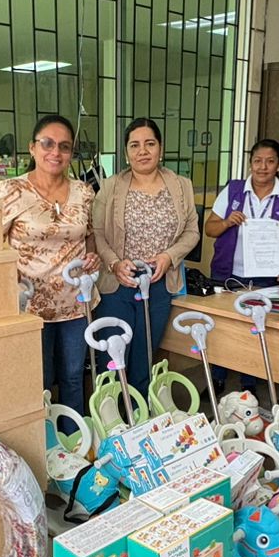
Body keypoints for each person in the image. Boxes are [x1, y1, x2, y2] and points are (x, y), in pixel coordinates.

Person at [0, 113, 96, 410]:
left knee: (73, 376)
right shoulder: (9, 191)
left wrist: (93, 256)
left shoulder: (84, 191)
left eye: (64, 146)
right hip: (29, 303)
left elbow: (89, 235)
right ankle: (44, 436)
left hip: (76, 301)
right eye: (47, 143)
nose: (55, 152)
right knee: (40, 379)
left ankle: (74, 435)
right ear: (32, 148)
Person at [93, 116, 200, 391]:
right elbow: (98, 233)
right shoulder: (110, 186)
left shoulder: (181, 186)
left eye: (149, 144)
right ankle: (111, 413)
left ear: (160, 148)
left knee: (144, 358)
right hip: (118, 284)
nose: (143, 151)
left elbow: (192, 232)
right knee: (113, 360)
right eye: (135, 145)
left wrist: (169, 257)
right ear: (126, 152)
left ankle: (139, 414)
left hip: (159, 283)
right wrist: (114, 264)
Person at [204, 138, 279, 288]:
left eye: (270, 161)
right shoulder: (233, 190)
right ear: (250, 164)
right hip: (227, 273)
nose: (263, 167)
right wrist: (227, 222)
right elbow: (209, 229)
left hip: (268, 276)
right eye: (257, 161)